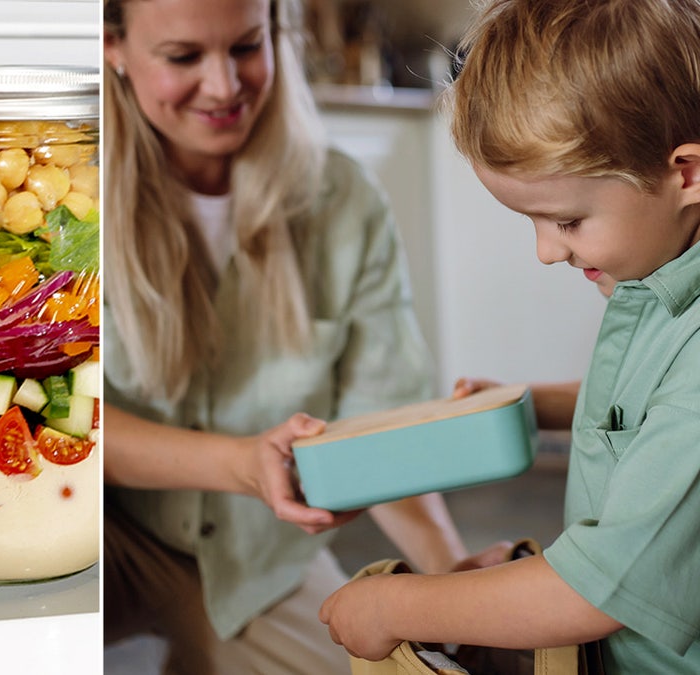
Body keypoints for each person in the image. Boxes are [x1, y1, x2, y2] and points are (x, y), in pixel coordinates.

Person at [101, 0, 505, 672]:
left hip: (256, 557)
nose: (225, 86)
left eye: (246, 47)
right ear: (113, 45)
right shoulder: (63, 197)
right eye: (183, 57)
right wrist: (237, 463)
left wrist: (454, 583)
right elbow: (51, 422)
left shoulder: (345, 200)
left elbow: (382, 425)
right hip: (106, 535)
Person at [319, 0, 700, 671]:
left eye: (568, 221)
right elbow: (657, 402)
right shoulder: (656, 272)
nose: (547, 252)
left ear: (687, 174)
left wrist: (399, 607)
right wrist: (545, 402)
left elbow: (592, 591)